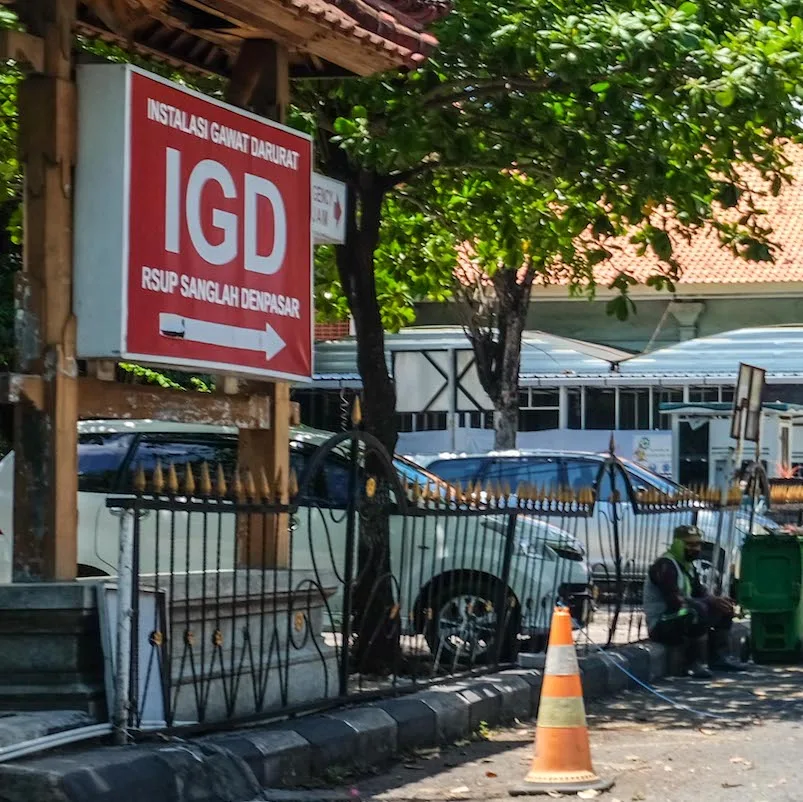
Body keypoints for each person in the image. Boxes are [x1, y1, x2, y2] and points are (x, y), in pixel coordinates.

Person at [644, 524, 746, 679]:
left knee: (724, 606)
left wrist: (716, 601)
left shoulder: (689, 566)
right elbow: (675, 602)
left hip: (680, 616)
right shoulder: (665, 566)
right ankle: (692, 663)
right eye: (690, 544)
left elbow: (701, 592)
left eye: (698, 544)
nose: (696, 549)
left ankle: (718, 657)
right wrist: (706, 602)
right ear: (678, 544)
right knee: (695, 611)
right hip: (661, 623)